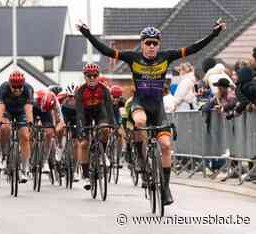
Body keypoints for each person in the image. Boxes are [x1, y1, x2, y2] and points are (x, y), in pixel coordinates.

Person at [77, 18, 227, 206]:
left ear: (159, 44)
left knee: (165, 146)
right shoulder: (132, 58)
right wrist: (87, 34)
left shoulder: (166, 57)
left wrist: (214, 33)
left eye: (154, 43)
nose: (151, 46)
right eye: (147, 43)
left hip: (158, 108)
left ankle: (165, 188)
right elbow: (106, 50)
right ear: (142, 44)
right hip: (139, 103)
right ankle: (141, 159)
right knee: (139, 122)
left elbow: (193, 48)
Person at [75, 63, 115, 190]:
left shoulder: (104, 89)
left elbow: (109, 109)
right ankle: (86, 175)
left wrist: (112, 124)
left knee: (105, 129)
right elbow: (80, 112)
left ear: (98, 76)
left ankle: (102, 153)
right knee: (84, 144)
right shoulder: (80, 91)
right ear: (85, 76)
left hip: (100, 113)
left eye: (95, 75)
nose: (92, 78)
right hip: (85, 115)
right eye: (89, 76)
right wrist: (81, 128)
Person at [0, 70, 34, 183]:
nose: (17, 90)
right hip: (7, 110)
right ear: (10, 85)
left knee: (25, 136)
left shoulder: (28, 89)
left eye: (19, 87)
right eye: (14, 88)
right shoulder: (3, 88)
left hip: (21, 111)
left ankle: (25, 167)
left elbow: (28, 109)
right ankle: (4, 155)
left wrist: (30, 123)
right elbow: (0, 109)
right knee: (4, 128)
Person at [33, 89, 65, 172]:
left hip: (46, 112)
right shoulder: (33, 98)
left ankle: (45, 161)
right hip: (34, 109)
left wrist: (55, 130)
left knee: (49, 133)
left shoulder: (54, 101)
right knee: (28, 132)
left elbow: (61, 122)